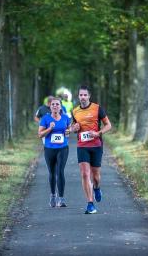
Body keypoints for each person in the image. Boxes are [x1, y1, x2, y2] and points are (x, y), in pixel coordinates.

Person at [71, 85, 112, 214]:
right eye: (80, 95)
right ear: (78, 96)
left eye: (85, 95)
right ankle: (90, 203)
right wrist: (74, 128)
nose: (82, 97)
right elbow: (73, 128)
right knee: (84, 174)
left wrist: (98, 133)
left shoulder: (97, 108)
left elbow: (108, 125)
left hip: (96, 145)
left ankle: (97, 188)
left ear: (89, 96)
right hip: (82, 146)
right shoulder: (75, 111)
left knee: (96, 176)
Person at [38, 97, 71, 207]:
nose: (55, 106)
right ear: (50, 107)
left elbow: (68, 131)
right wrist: (49, 129)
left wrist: (69, 131)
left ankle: (61, 199)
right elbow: (40, 134)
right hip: (49, 149)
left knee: (60, 172)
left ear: (60, 106)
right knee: (52, 173)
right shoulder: (45, 119)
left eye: (57, 104)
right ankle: (53, 195)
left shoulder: (66, 118)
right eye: (53, 104)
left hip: (63, 148)